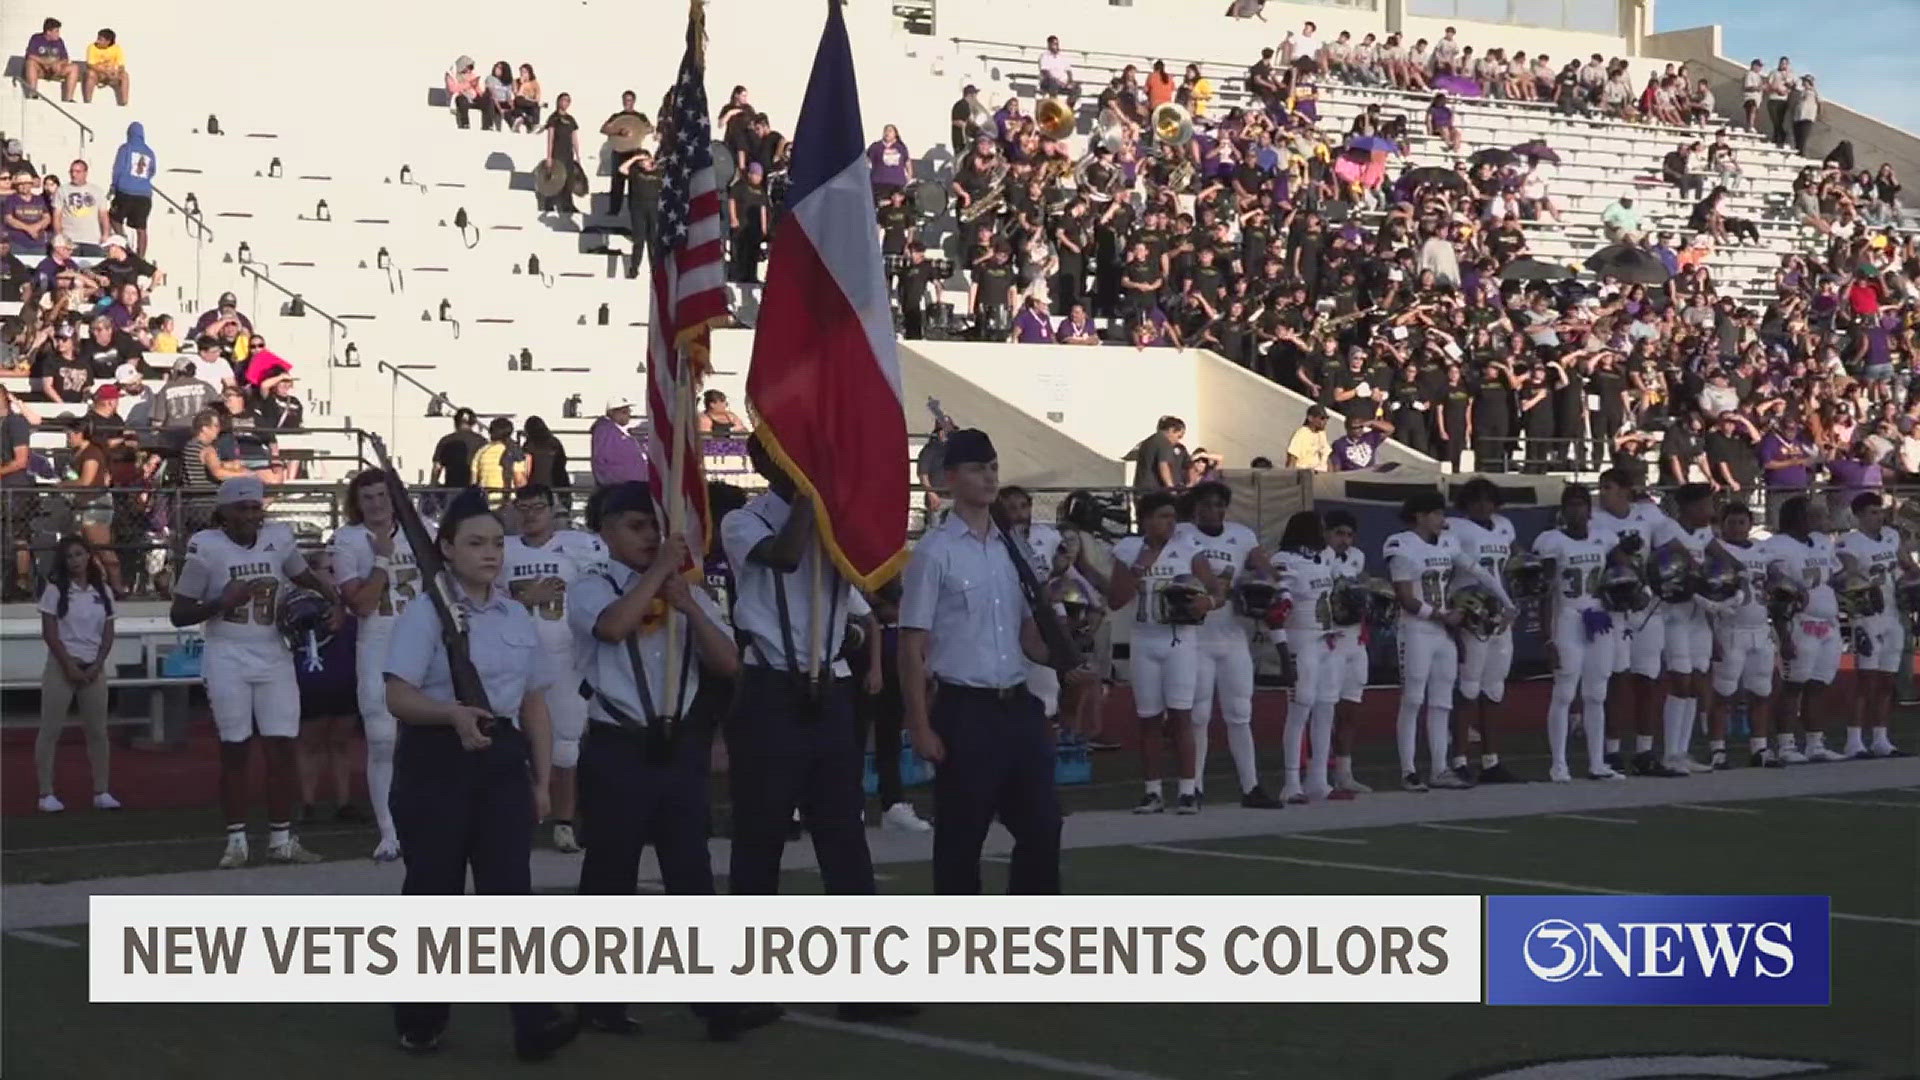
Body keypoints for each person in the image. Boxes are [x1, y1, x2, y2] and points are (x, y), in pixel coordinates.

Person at [569, 481, 784, 1041]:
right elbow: (613, 628)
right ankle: (599, 1000)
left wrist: (687, 601)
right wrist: (658, 571)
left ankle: (716, 1003)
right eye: (635, 526)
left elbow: (729, 664)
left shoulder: (687, 589)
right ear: (607, 532)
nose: (648, 536)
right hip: (620, 743)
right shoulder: (591, 586)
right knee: (610, 876)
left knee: (690, 874)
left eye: (653, 526)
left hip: (678, 744)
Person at [381, 489, 580, 1062]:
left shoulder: (516, 613)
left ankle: (533, 1021)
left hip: (500, 765)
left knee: (511, 895)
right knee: (434, 895)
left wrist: (540, 782)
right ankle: (421, 1018)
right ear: (444, 550)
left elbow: (534, 703)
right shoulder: (426, 614)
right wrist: (450, 714)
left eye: (496, 542)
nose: (490, 553)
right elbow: (397, 695)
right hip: (436, 763)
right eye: (475, 543)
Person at [718, 437, 896, 926]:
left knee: (844, 833)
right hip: (771, 689)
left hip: (831, 689)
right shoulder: (743, 520)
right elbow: (786, 555)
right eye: (785, 451)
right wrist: (809, 497)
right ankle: (748, 984)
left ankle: (867, 987)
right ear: (760, 460)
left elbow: (882, 595)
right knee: (762, 833)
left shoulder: (835, 517)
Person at [902, 429, 1066, 892]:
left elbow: (1028, 636)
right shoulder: (935, 551)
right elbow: (911, 644)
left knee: (1043, 825)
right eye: (977, 468)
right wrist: (919, 723)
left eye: (993, 467)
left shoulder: (1014, 547)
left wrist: (1066, 654)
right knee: (961, 835)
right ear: (950, 479)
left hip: (1017, 702)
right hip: (964, 708)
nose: (989, 477)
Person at [170, 476, 339, 868]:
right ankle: (236, 841)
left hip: (273, 652)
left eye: (255, 507)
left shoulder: (278, 538)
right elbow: (179, 614)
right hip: (227, 652)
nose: (250, 515)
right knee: (235, 749)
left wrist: (335, 600)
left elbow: (302, 577)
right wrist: (219, 601)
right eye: (241, 508)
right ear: (224, 512)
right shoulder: (207, 548)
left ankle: (281, 839)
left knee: (282, 747)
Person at [1383, 491, 1511, 792]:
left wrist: (1507, 603)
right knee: (1414, 699)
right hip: (1416, 629)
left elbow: (1479, 571)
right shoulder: (1401, 544)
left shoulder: (1447, 542)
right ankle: (1408, 770)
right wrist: (1441, 615)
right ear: (1420, 516)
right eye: (1437, 514)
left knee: (1441, 702)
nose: (1443, 520)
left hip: (1441, 631)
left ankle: (1440, 769)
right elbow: (1405, 597)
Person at [503, 484, 606, 853]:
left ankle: (563, 822)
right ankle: (514, 817)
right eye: (524, 507)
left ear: (555, 508)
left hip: (564, 655)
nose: (531, 514)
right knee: (508, 744)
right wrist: (523, 597)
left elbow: (598, 588)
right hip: (513, 659)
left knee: (566, 746)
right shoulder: (502, 548)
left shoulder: (578, 546)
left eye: (538, 507)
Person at [329, 469, 421, 861]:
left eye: (382, 496)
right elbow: (363, 603)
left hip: (422, 638)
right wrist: (382, 559)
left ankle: (428, 820)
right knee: (383, 739)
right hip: (379, 639)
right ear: (357, 503)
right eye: (368, 498)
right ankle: (388, 831)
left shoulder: (423, 530)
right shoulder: (347, 541)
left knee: (429, 738)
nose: (377, 504)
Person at [1105, 491, 1207, 813]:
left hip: (1179, 639)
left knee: (1181, 716)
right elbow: (1115, 599)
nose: (1170, 523)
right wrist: (1138, 568)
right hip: (1144, 638)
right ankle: (1152, 791)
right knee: (1148, 718)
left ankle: (1188, 790)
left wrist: (1208, 602)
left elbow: (1217, 589)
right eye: (1163, 517)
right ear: (1146, 519)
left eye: (1173, 517)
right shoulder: (1128, 549)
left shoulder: (1187, 549)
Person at [1180, 482, 1279, 806]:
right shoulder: (1182, 534)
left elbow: (1264, 567)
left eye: (1220, 505)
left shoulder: (1241, 535)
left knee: (1240, 713)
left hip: (1232, 634)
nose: (1214, 511)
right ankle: (1192, 787)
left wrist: (1269, 583)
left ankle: (1250, 787)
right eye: (1208, 505)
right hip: (1195, 636)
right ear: (1195, 508)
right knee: (1198, 715)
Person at [1530, 485, 1623, 782]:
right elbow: (1544, 592)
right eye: (1571, 505)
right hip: (1568, 618)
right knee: (1565, 693)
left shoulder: (1604, 537)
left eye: (1581, 504)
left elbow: (1624, 567)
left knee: (1597, 694)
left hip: (1598, 617)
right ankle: (1559, 764)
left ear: (1589, 508)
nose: (1576, 510)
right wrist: (1546, 636)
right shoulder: (1552, 541)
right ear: (1562, 509)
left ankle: (1597, 762)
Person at [1594, 467, 1681, 776]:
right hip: (1615, 606)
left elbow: (1673, 550)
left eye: (1609, 487)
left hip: (1647, 607)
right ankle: (1612, 751)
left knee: (1648, 679)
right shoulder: (1595, 520)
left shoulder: (1649, 515)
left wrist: (1667, 577)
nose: (1603, 493)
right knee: (1617, 679)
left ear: (1626, 490)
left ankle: (1645, 750)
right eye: (1602, 487)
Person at [36, 534, 120, 812]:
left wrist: (97, 665)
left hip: (93, 667)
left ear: (88, 557)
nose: (75, 561)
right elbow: (50, 633)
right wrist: (69, 666)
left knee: (98, 731)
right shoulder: (55, 590)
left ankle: (102, 790)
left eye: (79, 555)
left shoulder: (102, 590)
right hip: (62, 666)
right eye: (70, 556)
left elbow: (108, 631)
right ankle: (46, 792)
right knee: (50, 730)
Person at [1447, 479, 1520, 784]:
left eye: (1487, 500)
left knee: (1495, 687)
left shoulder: (1504, 526)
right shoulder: (1454, 528)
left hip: (1501, 615)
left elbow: (1514, 561)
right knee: (1468, 687)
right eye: (1475, 500)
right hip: (1472, 612)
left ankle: (1491, 761)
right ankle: (1460, 759)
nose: (1482, 505)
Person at [1762, 495, 1842, 765]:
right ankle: (1785, 744)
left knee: (1818, 685)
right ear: (1797, 517)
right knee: (1792, 685)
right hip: (1799, 622)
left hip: (1828, 623)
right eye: (1813, 514)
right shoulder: (1776, 546)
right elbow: (1772, 586)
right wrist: (1783, 634)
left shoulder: (1822, 543)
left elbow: (1836, 577)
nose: (1820, 519)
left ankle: (1815, 743)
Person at [1653, 483, 1720, 774]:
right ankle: (1670, 752)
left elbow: (1725, 560)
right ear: (1690, 507)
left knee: (1694, 682)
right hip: (1674, 614)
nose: (1711, 511)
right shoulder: (1669, 529)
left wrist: (1737, 578)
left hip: (1698, 617)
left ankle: (1682, 751)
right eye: (1706, 505)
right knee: (1680, 681)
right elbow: (1688, 567)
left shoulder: (1705, 533)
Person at [1834, 492, 1906, 760]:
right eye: (1873, 513)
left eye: (1880, 512)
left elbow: (1907, 565)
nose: (1879, 517)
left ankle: (1881, 739)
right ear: (1859, 515)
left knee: (1887, 681)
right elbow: (1849, 573)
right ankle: (1854, 740)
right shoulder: (1850, 542)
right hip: (1867, 615)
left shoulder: (1891, 536)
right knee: (1866, 680)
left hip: (1893, 613)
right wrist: (1862, 584)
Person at [292, 548, 359, 822]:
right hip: (312, 681)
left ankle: (344, 802)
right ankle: (308, 803)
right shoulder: (297, 606)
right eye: (329, 570)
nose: (336, 576)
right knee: (310, 742)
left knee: (341, 741)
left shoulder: (351, 605)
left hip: (344, 678)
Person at [108, 122, 155, 257]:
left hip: (125, 191)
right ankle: (141, 257)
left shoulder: (125, 148)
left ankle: (124, 243)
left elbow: (118, 168)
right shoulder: (150, 152)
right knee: (141, 228)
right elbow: (152, 171)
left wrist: (114, 185)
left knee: (114, 218)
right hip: (144, 194)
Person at [600, 91, 649, 215]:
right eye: (625, 100)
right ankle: (614, 210)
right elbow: (604, 129)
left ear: (634, 101)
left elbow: (649, 128)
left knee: (635, 183)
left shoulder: (640, 116)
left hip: (634, 151)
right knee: (617, 182)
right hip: (619, 151)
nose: (627, 102)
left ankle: (634, 210)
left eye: (629, 100)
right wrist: (618, 132)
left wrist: (637, 129)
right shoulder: (616, 116)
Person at [541, 93, 583, 215]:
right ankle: (549, 203)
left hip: (568, 153)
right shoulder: (553, 118)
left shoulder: (571, 120)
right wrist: (549, 156)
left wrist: (578, 154)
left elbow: (574, 137)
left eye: (567, 101)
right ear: (558, 101)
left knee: (568, 179)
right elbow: (550, 138)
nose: (565, 103)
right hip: (557, 153)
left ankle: (567, 204)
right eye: (563, 100)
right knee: (555, 179)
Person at [472, 417, 527, 508]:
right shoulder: (514, 451)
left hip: (486, 500)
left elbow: (473, 481)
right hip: (508, 501)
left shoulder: (481, 451)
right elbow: (520, 481)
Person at [590, 397, 646, 486]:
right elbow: (602, 459)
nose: (628, 415)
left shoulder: (614, 431)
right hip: (619, 485)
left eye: (629, 411)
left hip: (624, 484)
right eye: (624, 412)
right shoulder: (606, 431)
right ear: (611, 413)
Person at [22, 17, 78, 102]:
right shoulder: (36, 38)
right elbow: (30, 55)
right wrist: (45, 63)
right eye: (56, 31)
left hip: (55, 70)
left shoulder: (59, 41)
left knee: (74, 67)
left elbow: (65, 58)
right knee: (30, 63)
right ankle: (33, 93)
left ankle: (69, 98)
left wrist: (58, 64)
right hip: (40, 69)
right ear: (48, 32)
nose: (58, 34)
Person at [430, 408, 485, 493]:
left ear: (455, 422)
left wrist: (433, 486)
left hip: (451, 490)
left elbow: (437, 467)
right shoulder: (481, 441)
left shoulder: (446, 440)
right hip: (475, 492)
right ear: (473, 423)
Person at [1131, 415, 1189, 491]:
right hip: (1155, 491)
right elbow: (1163, 466)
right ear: (1171, 430)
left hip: (1140, 489)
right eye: (1179, 436)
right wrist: (1171, 488)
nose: (1178, 441)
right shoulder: (1164, 442)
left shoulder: (1148, 441)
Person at [83, 28, 130, 106]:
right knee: (90, 74)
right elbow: (90, 65)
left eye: (100, 40)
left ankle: (124, 102)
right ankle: (88, 101)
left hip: (111, 72)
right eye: (98, 38)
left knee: (125, 75)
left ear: (108, 41)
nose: (97, 41)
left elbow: (121, 65)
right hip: (99, 73)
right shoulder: (92, 47)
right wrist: (105, 72)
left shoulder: (116, 48)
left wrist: (116, 72)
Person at [1286, 405, 1332, 470]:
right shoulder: (1301, 434)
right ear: (1310, 418)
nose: (1325, 421)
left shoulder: (1321, 433)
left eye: (1326, 418)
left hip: (1320, 474)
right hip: (1304, 473)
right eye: (1322, 418)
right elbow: (1292, 459)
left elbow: (1327, 455)